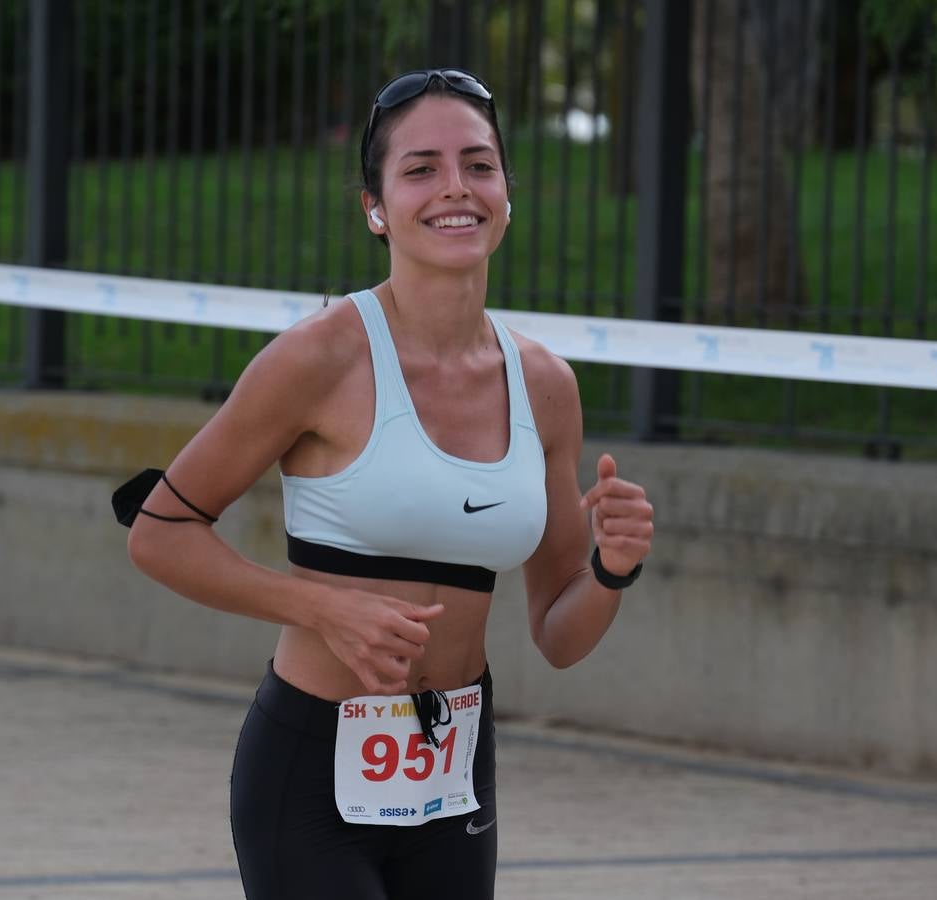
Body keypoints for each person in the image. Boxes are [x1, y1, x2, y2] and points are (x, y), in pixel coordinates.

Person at [124, 68, 654, 900]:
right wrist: (322, 608)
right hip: (309, 772)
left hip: (453, 772)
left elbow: (559, 633)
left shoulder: (545, 385)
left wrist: (614, 567)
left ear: (508, 192)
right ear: (375, 207)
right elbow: (157, 532)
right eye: (421, 169)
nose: (456, 188)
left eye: (479, 165)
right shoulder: (321, 357)